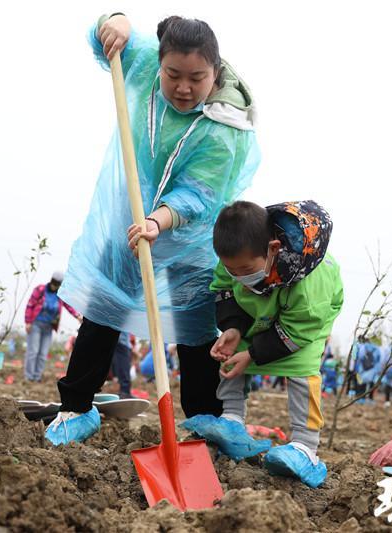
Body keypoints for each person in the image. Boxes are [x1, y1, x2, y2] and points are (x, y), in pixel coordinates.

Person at [46, 13, 260, 445]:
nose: (183, 87)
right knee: (104, 308)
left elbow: (198, 196)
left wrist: (157, 221)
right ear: (159, 63)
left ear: (214, 73)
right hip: (133, 217)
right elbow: (104, 39)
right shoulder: (143, 59)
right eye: (173, 75)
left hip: (190, 236)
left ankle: (203, 418)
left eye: (196, 78)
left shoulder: (225, 128)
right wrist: (114, 21)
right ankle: (76, 406)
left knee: (196, 326)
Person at [181, 200, 343, 488]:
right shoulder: (233, 262)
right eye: (231, 269)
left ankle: (306, 447)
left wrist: (253, 354)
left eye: (245, 269)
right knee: (231, 352)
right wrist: (233, 327)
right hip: (260, 306)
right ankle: (231, 418)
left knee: (301, 368)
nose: (238, 277)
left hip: (304, 321)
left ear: (273, 249)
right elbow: (223, 289)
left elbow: (299, 329)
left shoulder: (309, 284)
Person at [24, 272, 82, 382]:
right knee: (33, 351)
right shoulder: (40, 290)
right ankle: (28, 377)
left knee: (43, 353)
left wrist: (77, 315)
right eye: (54, 284)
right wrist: (28, 322)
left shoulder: (60, 294)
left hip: (49, 327)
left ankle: (37, 377)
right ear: (51, 281)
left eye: (58, 285)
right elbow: (30, 305)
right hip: (36, 324)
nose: (55, 287)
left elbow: (68, 306)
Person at [110, 332, 135, 398]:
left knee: (121, 363)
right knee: (123, 364)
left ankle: (124, 391)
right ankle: (125, 391)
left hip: (121, 340)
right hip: (122, 340)